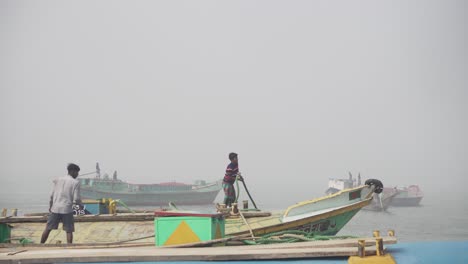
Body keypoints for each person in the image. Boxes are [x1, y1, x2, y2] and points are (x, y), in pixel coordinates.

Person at [41, 163, 82, 244]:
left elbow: (51, 195)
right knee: (69, 230)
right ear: (73, 171)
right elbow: (76, 198)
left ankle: (40, 245)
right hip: (67, 210)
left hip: (55, 208)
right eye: (77, 172)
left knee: (48, 228)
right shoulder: (75, 182)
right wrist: (80, 206)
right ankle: (69, 247)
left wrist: (50, 206)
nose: (77, 174)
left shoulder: (58, 179)